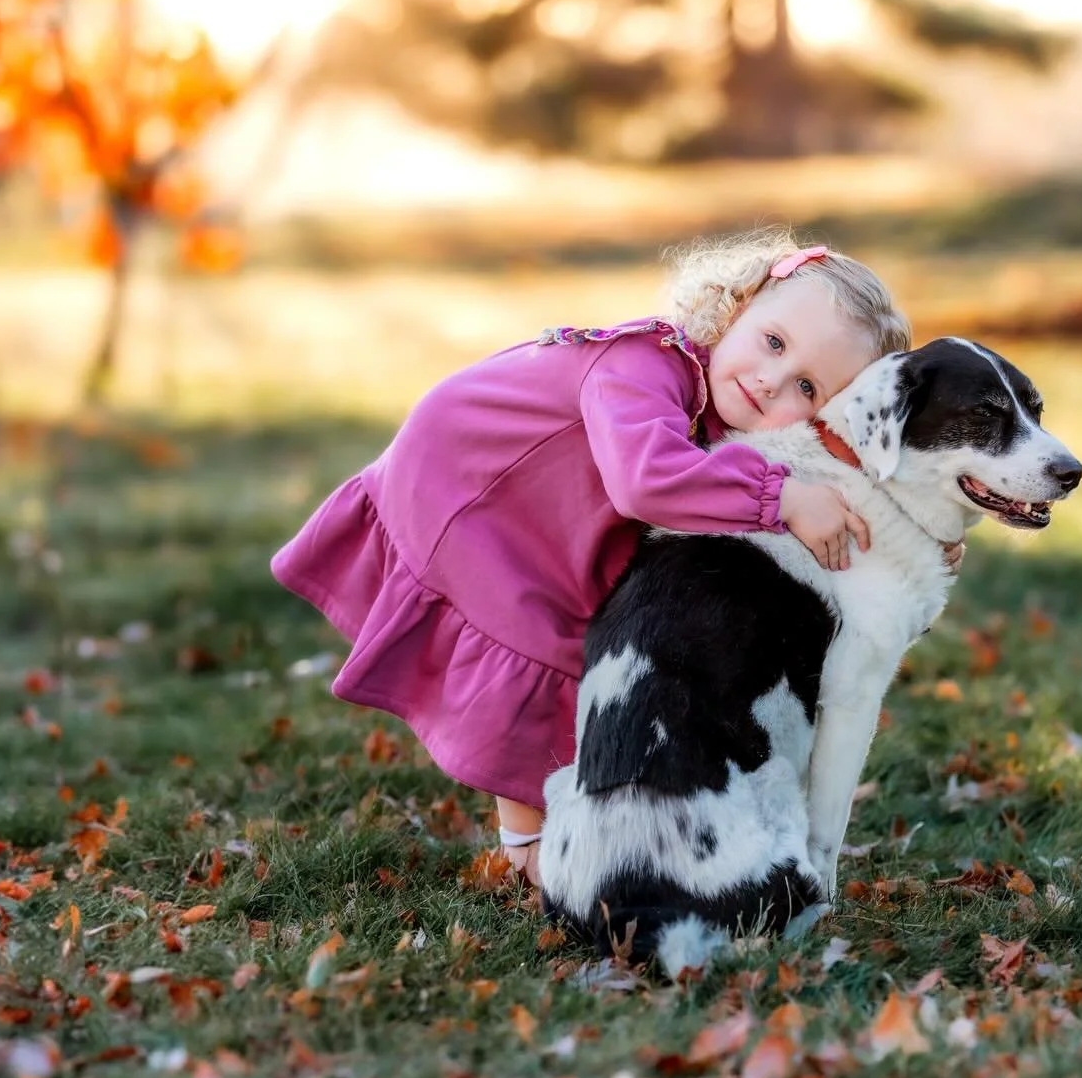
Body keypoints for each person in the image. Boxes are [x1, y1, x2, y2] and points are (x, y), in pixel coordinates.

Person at [270, 231, 911, 884]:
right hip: (471, 482)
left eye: (806, 386)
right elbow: (647, 480)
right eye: (773, 342)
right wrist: (783, 500)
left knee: (591, 645)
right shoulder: (643, 363)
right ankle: (529, 845)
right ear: (739, 305)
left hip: (543, 510)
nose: (771, 380)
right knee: (543, 645)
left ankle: (596, 823)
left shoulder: (718, 409)